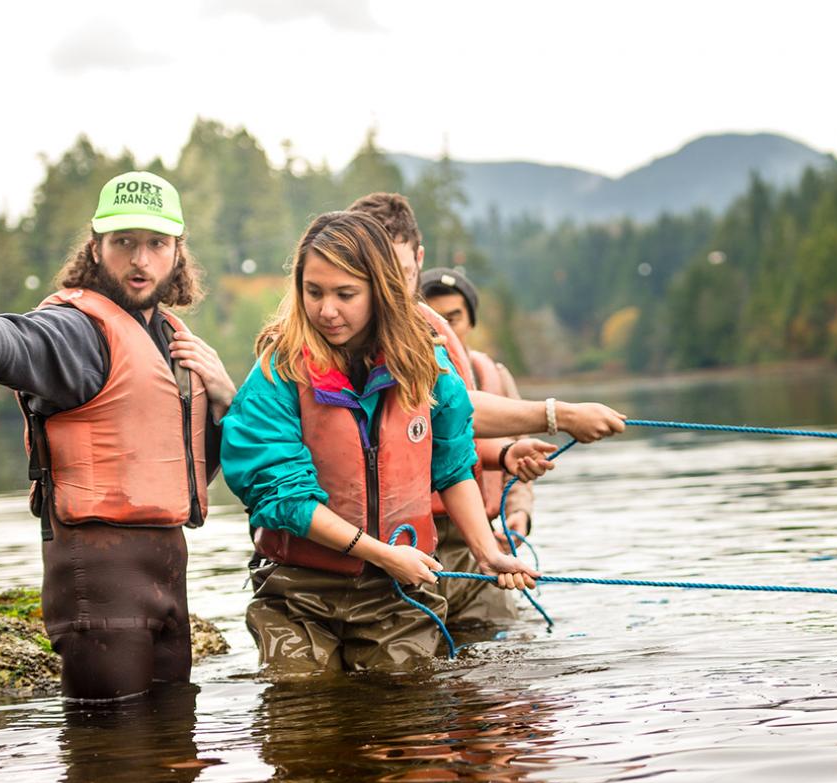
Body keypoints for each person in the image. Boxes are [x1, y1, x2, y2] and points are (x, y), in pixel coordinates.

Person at [0, 170, 235, 702]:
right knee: (108, 753)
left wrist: (225, 396)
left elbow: (195, 462)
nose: (139, 259)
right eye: (123, 243)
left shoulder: (176, 341)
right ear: (96, 248)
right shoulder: (76, 328)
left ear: (177, 252)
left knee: (176, 747)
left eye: (156, 244)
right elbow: (24, 344)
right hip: (98, 574)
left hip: (168, 569)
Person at [221, 211, 538, 673]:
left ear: (380, 290)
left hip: (397, 595)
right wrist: (384, 554)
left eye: (345, 294)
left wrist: (489, 552)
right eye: (314, 292)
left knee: (403, 714)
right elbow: (283, 497)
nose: (327, 310)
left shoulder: (428, 369)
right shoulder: (276, 376)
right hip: (299, 592)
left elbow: (453, 466)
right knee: (302, 712)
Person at [345, 192, 627, 444]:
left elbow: (453, 407)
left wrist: (512, 453)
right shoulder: (330, 333)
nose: (388, 291)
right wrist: (561, 415)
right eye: (375, 277)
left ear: (419, 259)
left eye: (399, 275)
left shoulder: (422, 340)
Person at [420, 266, 536, 628]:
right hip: (425, 537)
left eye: (454, 317)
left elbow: (518, 455)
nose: (446, 329)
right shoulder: (410, 376)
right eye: (436, 317)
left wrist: (520, 513)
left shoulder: (493, 375)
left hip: (481, 539)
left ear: (470, 319)